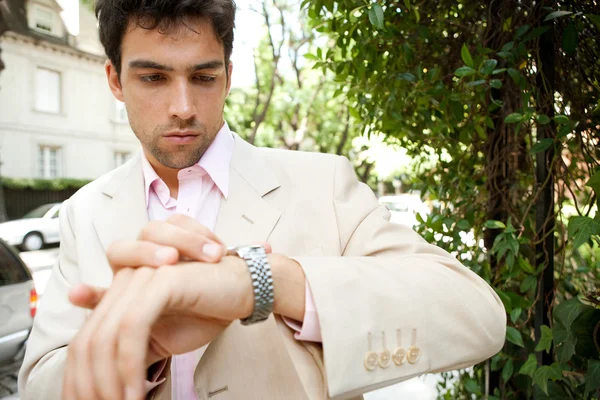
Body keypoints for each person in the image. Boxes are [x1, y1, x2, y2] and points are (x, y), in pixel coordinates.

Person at [18, 1, 507, 399]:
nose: (183, 106)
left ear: (228, 77)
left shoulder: (325, 183)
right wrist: (142, 346)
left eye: (204, 78)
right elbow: (39, 383)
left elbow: (476, 314)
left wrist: (264, 282)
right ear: (115, 81)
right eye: (154, 78)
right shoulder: (85, 211)